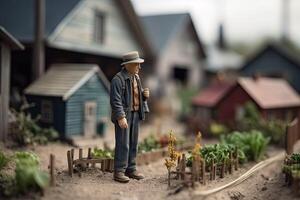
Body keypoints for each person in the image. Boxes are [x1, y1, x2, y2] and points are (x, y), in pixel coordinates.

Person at [110, 51, 150, 183]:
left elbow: (136, 96)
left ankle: (131, 168)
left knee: (133, 143)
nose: (139, 67)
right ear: (128, 65)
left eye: (139, 64)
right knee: (123, 143)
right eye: (137, 64)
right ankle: (119, 171)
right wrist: (121, 117)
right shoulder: (118, 79)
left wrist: (144, 96)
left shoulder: (136, 78)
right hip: (125, 116)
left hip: (135, 114)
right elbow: (115, 101)